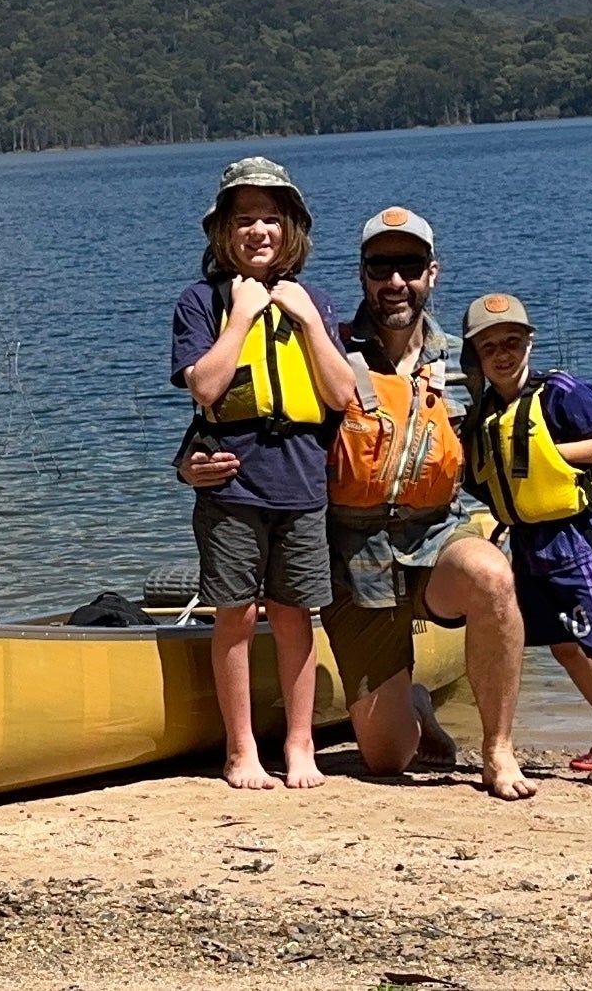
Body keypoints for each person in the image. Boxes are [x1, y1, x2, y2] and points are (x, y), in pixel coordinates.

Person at [186, 207, 534, 799]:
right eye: (381, 267)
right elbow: (256, 421)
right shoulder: (326, 347)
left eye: (408, 266)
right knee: (386, 758)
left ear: (432, 274)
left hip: (434, 542)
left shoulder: (465, 363)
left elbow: (511, 438)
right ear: (363, 275)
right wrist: (189, 461)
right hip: (356, 565)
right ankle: (416, 702)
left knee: (492, 576)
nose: (394, 281)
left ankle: (499, 752)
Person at [172, 157, 366, 790]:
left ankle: (301, 744)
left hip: (302, 485)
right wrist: (241, 316)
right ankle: (240, 749)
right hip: (232, 485)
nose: (260, 232)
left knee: (293, 615)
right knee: (233, 614)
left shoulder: (316, 301)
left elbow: (342, 395)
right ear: (223, 231)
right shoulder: (200, 301)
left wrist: (307, 319)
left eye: (272, 220)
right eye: (245, 220)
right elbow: (205, 386)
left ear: (291, 229)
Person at [461, 293, 592, 795]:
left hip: (576, 537)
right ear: (475, 353)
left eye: (512, 342)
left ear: (529, 342)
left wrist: (552, 455)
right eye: (489, 345)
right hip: (528, 541)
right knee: (564, 644)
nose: (502, 353)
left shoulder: (558, 391)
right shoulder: (486, 409)